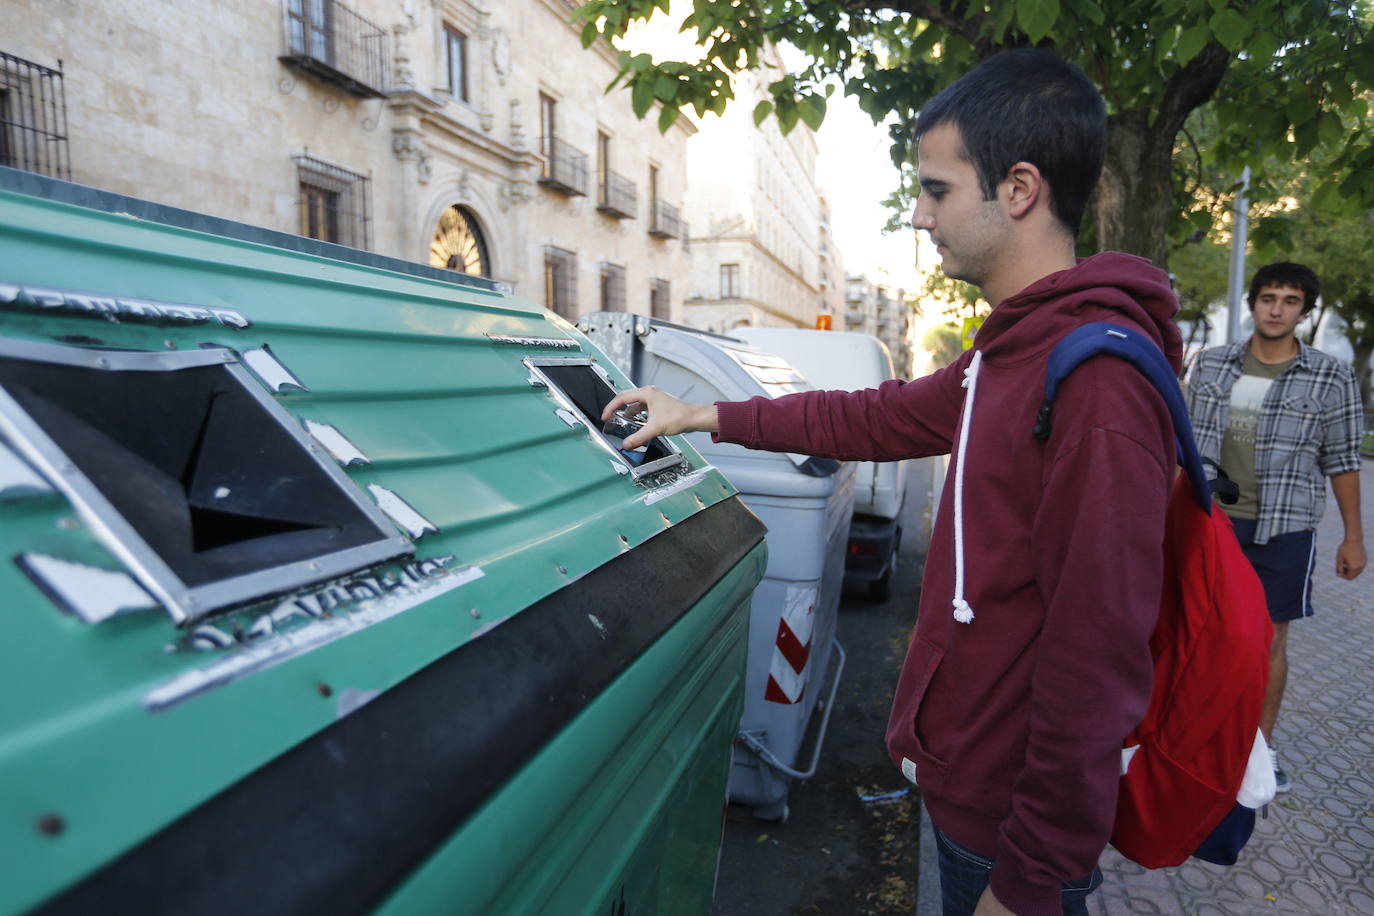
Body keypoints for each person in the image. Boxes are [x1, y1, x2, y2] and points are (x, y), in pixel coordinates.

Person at [604, 49, 1181, 916]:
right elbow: (877, 418)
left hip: (1007, 840)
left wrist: (1026, 884)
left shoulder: (1093, 379)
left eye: (936, 189)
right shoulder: (1012, 347)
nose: (918, 215)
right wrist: (702, 416)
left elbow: (1097, 658)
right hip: (967, 791)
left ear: (1017, 189)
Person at [1184, 262, 1366, 793]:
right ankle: (1193, 741)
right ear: (1253, 303)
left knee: (1269, 641)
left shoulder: (1330, 375)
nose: (1277, 308)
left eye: (1290, 300)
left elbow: (1344, 458)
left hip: (1285, 527)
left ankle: (1257, 752)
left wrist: (1353, 536)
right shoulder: (1213, 365)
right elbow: (1184, 448)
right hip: (1210, 522)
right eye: (1268, 297)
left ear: (1304, 312)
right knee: (1200, 635)